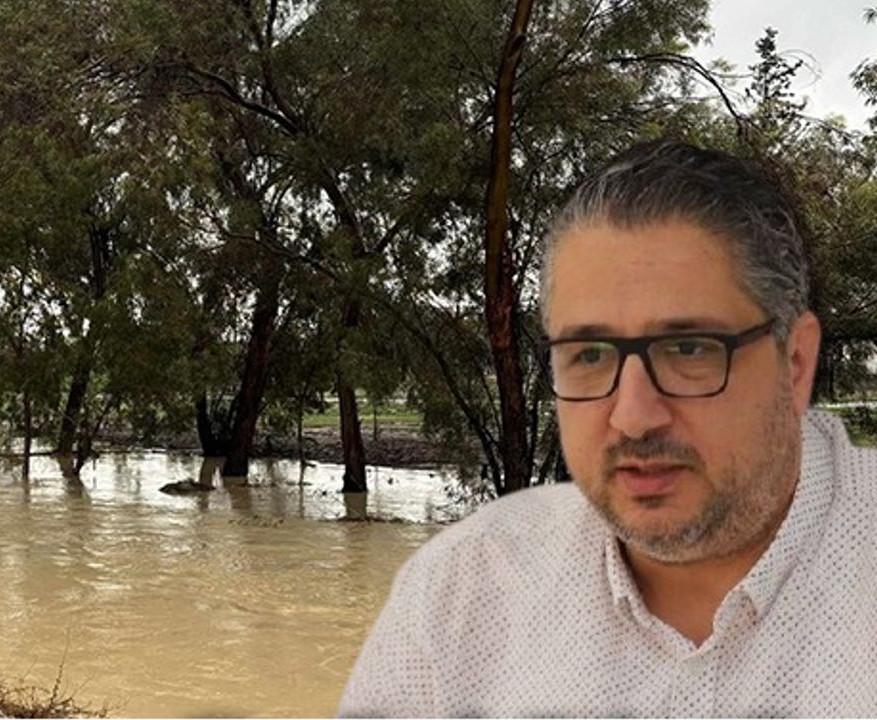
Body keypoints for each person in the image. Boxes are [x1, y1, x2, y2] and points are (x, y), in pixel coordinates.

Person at [338, 140, 877, 716]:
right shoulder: (460, 598)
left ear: (795, 362)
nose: (633, 417)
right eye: (590, 355)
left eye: (688, 349)